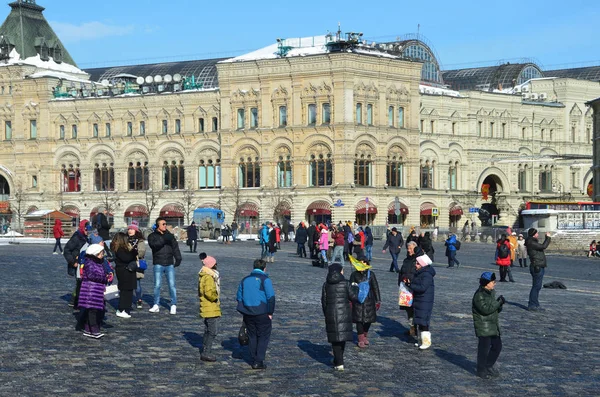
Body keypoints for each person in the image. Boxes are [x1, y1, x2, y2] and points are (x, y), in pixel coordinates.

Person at [236, 259, 276, 370]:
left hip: (248, 312)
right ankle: (259, 360)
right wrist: (270, 312)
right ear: (264, 268)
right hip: (262, 312)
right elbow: (271, 297)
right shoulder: (265, 279)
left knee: (252, 335)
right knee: (263, 336)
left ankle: (254, 358)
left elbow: (239, 297)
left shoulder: (245, 279)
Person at [321, 262, 354, 371]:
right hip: (344, 313)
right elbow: (354, 297)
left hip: (331, 313)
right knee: (342, 337)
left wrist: (326, 313)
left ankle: (337, 360)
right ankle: (339, 362)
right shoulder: (346, 283)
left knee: (335, 339)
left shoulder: (326, 284)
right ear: (340, 271)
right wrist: (355, 287)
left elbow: (324, 301)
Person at [472, 271, 504, 379]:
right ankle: (481, 370)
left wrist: (499, 305)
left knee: (497, 346)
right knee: (483, 350)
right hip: (484, 326)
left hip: (492, 325)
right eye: (493, 281)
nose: (494, 283)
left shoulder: (491, 292)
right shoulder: (479, 295)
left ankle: (488, 365)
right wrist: (498, 303)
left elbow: (494, 309)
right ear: (486, 283)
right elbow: (485, 310)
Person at [148, 217, 182, 314]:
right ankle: (156, 304)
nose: (165, 225)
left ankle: (173, 304)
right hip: (158, 263)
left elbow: (175, 248)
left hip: (169, 263)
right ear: (158, 225)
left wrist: (178, 258)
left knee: (172, 285)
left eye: (165, 224)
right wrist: (164, 239)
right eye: (163, 224)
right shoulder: (152, 236)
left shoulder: (170, 236)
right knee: (157, 285)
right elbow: (154, 246)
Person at [77, 244, 111, 338]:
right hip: (91, 291)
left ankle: (88, 330)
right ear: (95, 254)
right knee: (93, 311)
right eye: (101, 253)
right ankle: (94, 330)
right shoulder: (90, 263)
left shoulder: (96, 262)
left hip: (95, 290)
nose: (103, 255)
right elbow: (93, 275)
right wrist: (104, 278)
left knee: (92, 310)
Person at [349, 256, 381, 348]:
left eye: (364, 262)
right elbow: (350, 288)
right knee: (359, 320)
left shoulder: (371, 274)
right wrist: (350, 300)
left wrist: (378, 300)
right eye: (360, 262)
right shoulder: (354, 275)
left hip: (369, 300)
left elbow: (375, 287)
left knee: (368, 320)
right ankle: (361, 338)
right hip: (358, 301)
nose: (362, 264)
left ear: (367, 264)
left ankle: (365, 335)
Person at [407, 254, 435, 349]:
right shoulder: (419, 273)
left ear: (422, 264)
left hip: (424, 301)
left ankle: (426, 342)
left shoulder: (426, 275)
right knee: (419, 321)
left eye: (418, 263)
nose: (416, 265)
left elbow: (422, 287)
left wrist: (411, 285)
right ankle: (420, 341)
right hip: (419, 300)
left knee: (423, 322)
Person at [64, 220, 92, 307]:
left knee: (82, 282)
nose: (88, 232)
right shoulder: (76, 238)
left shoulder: (86, 237)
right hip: (77, 263)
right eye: (87, 230)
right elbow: (66, 250)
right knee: (80, 282)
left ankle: (77, 300)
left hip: (84, 263)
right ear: (83, 228)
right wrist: (72, 262)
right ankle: (75, 300)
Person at [198, 255, 221, 362]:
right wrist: (215, 296)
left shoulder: (205, 275)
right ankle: (206, 352)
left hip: (208, 307)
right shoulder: (208, 277)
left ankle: (205, 350)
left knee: (208, 330)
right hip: (210, 307)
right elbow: (208, 292)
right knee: (212, 331)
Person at [399, 241, 423, 337]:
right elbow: (402, 272)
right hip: (406, 289)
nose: (409, 251)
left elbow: (419, 274)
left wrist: (410, 279)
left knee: (416, 310)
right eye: (408, 249)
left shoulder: (418, 260)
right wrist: (400, 281)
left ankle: (418, 329)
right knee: (408, 310)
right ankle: (412, 329)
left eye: (411, 249)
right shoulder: (406, 260)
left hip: (415, 288)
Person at [111, 232, 137, 318]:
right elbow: (127, 258)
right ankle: (122, 309)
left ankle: (126, 308)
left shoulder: (120, 248)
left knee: (128, 290)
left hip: (125, 270)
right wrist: (133, 251)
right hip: (124, 271)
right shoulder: (120, 249)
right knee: (125, 290)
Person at [525, 229, 551, 311]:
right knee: (536, 286)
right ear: (533, 234)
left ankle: (535, 303)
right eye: (536, 233)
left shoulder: (531, 241)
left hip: (538, 265)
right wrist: (548, 238)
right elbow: (543, 246)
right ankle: (532, 304)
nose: (538, 234)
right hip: (537, 266)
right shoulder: (531, 242)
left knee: (537, 286)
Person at [127, 221, 146, 309]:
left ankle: (139, 299)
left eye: (132, 229)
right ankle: (128, 299)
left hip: (136, 264)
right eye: (129, 229)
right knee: (127, 284)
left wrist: (131, 253)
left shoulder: (140, 241)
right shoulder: (125, 239)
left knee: (137, 285)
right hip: (126, 264)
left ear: (136, 231)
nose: (130, 231)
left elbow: (141, 252)